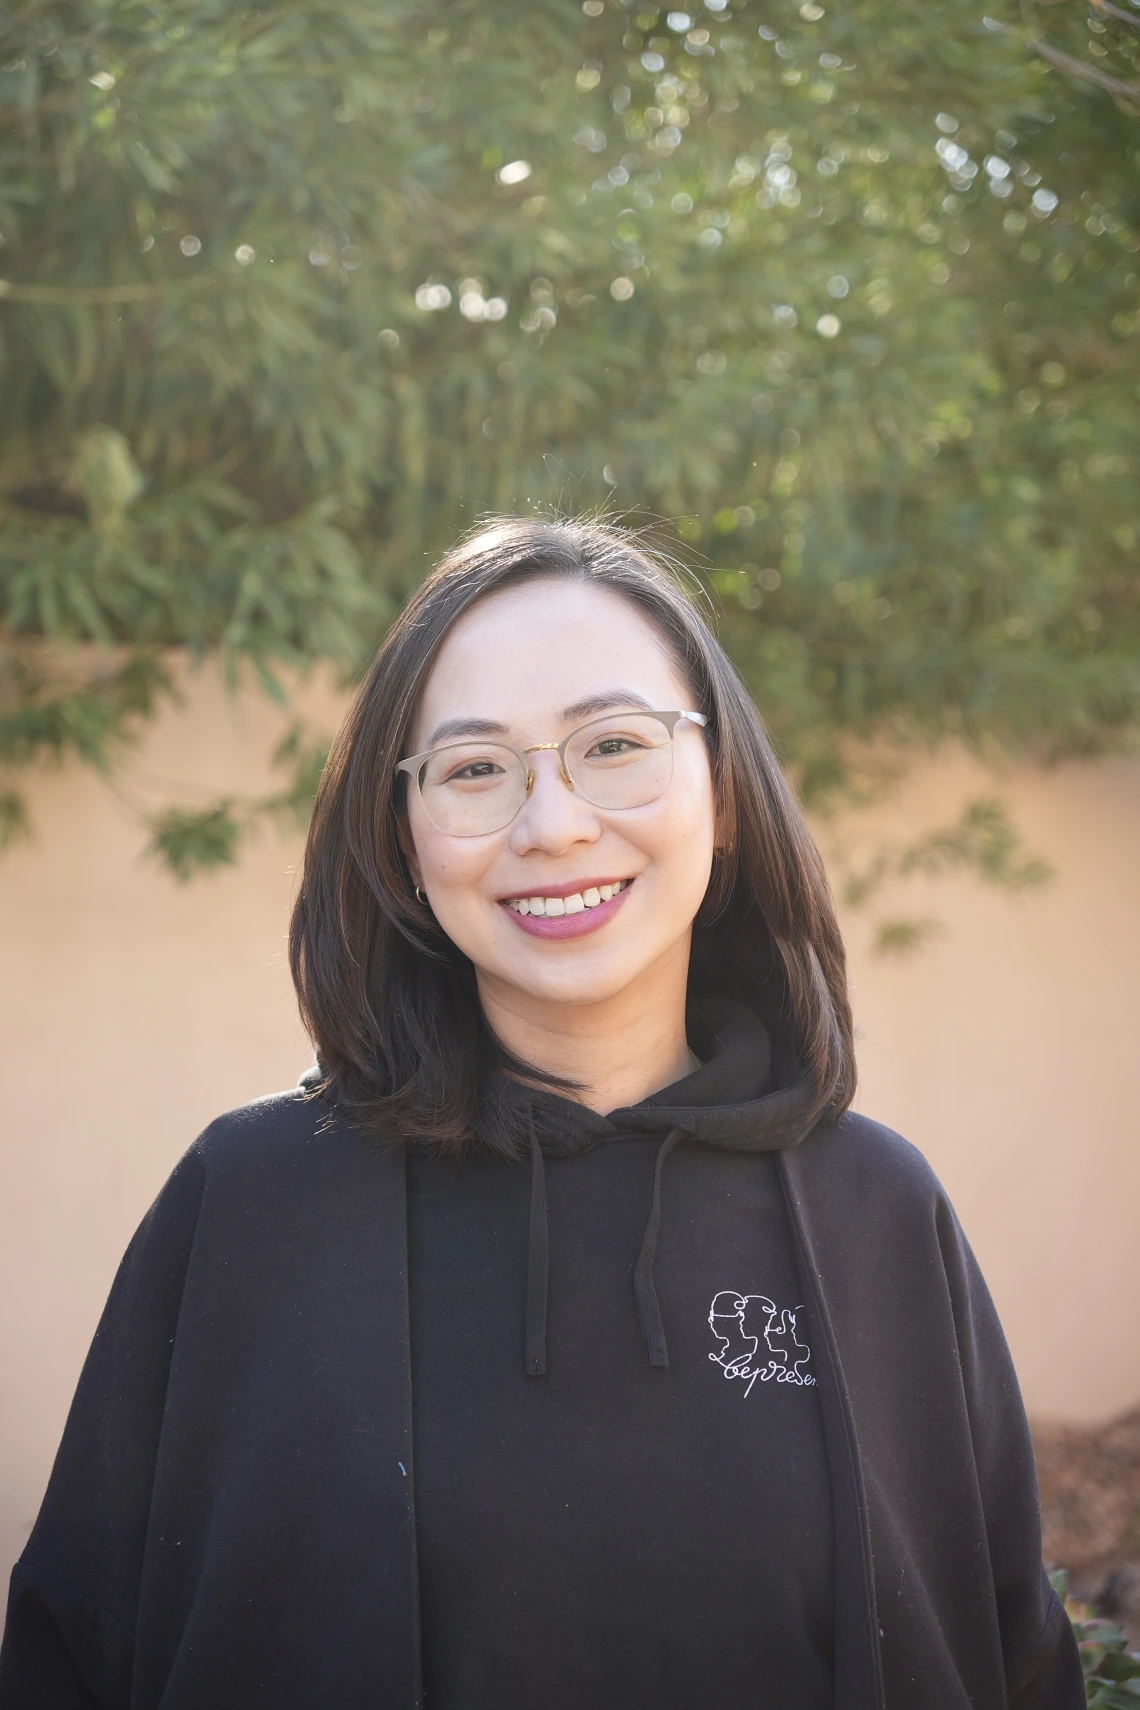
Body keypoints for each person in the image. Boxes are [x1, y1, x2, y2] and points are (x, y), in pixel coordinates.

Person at [0, 517, 1083, 1709]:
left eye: (612, 745)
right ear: (402, 839)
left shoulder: (877, 1216)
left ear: (721, 794)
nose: (552, 824)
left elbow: (1012, 1664)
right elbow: (71, 1657)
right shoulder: (252, 1206)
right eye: (474, 768)